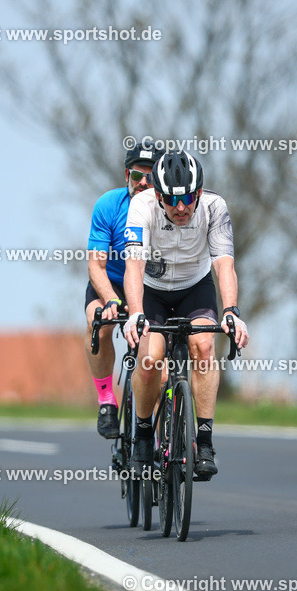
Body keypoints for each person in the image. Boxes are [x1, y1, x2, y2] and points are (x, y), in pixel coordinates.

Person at [123, 151, 250, 480]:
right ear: (158, 194)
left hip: (195, 288)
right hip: (151, 292)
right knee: (150, 359)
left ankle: (204, 442)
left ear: (199, 192)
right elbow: (134, 266)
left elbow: (224, 264)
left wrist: (232, 311)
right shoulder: (142, 207)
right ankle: (141, 433)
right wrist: (135, 313)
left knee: (205, 348)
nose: (181, 208)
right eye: (172, 201)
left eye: (188, 199)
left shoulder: (214, 207)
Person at [85, 139, 163, 438]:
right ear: (125, 175)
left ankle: (162, 432)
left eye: (151, 177)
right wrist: (112, 300)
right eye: (136, 176)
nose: (143, 183)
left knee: (157, 364)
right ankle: (106, 400)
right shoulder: (108, 205)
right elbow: (96, 266)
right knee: (99, 322)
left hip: (151, 285)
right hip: (114, 282)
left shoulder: (167, 210)